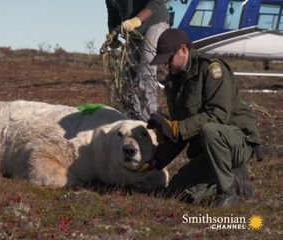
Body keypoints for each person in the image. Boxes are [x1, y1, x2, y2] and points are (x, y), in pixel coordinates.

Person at [147, 28, 262, 207]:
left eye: (169, 59)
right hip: (208, 150)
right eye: (163, 62)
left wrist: (176, 128)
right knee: (176, 194)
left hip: (236, 142)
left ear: (183, 50)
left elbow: (218, 115)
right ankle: (234, 178)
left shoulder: (211, 69)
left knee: (210, 130)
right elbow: (181, 131)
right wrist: (155, 161)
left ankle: (228, 192)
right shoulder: (173, 82)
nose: (166, 65)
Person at [105, 0, 170, 121]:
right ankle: (132, 117)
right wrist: (112, 35)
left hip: (154, 21)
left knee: (146, 68)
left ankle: (150, 119)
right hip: (134, 29)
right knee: (129, 74)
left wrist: (138, 19)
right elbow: (113, 13)